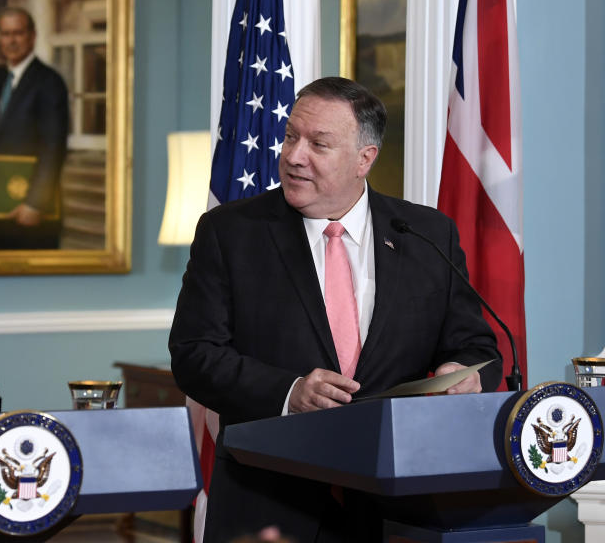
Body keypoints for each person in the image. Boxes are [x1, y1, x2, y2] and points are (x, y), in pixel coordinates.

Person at [168, 77, 502, 543]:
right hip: (267, 501)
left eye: (318, 144)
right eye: (290, 136)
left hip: (397, 507)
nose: (293, 156)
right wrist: (289, 392)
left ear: (365, 158)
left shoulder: (426, 235)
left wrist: (463, 372)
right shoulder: (230, 232)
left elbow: (476, 346)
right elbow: (194, 355)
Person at [0, 6, 69, 250]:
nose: (11, 40)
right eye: (5, 33)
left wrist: (36, 202)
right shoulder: (0, 79)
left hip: (33, 214)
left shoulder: (50, 82)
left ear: (32, 35)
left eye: (18, 33)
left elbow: (54, 148)